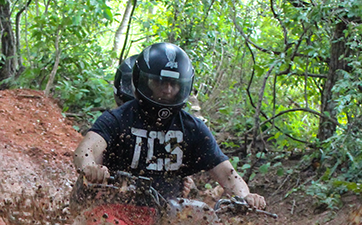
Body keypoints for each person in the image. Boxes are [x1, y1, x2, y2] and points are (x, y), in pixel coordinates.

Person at [73, 42, 266, 209]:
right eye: (161, 82)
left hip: (168, 218)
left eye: (174, 84)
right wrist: (90, 168)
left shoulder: (193, 128)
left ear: (183, 86)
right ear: (145, 81)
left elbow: (227, 174)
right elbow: (86, 149)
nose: (168, 90)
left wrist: (246, 197)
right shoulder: (118, 118)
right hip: (114, 207)